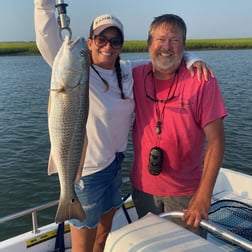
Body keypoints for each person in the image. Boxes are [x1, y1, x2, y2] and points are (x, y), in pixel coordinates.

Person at [34, 1, 213, 250]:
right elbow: (46, 39)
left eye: (115, 41)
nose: (108, 45)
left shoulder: (129, 70)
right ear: (90, 42)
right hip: (86, 172)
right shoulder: (75, 70)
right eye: (101, 39)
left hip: (114, 168)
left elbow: (163, 56)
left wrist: (194, 59)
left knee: (102, 236)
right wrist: (44, 6)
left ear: (121, 46)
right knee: (82, 246)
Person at [131, 13, 227, 236]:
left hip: (186, 194)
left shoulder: (202, 80)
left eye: (175, 40)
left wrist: (203, 196)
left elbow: (217, 141)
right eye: (160, 39)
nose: (166, 47)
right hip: (143, 189)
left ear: (184, 46)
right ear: (148, 44)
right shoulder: (133, 75)